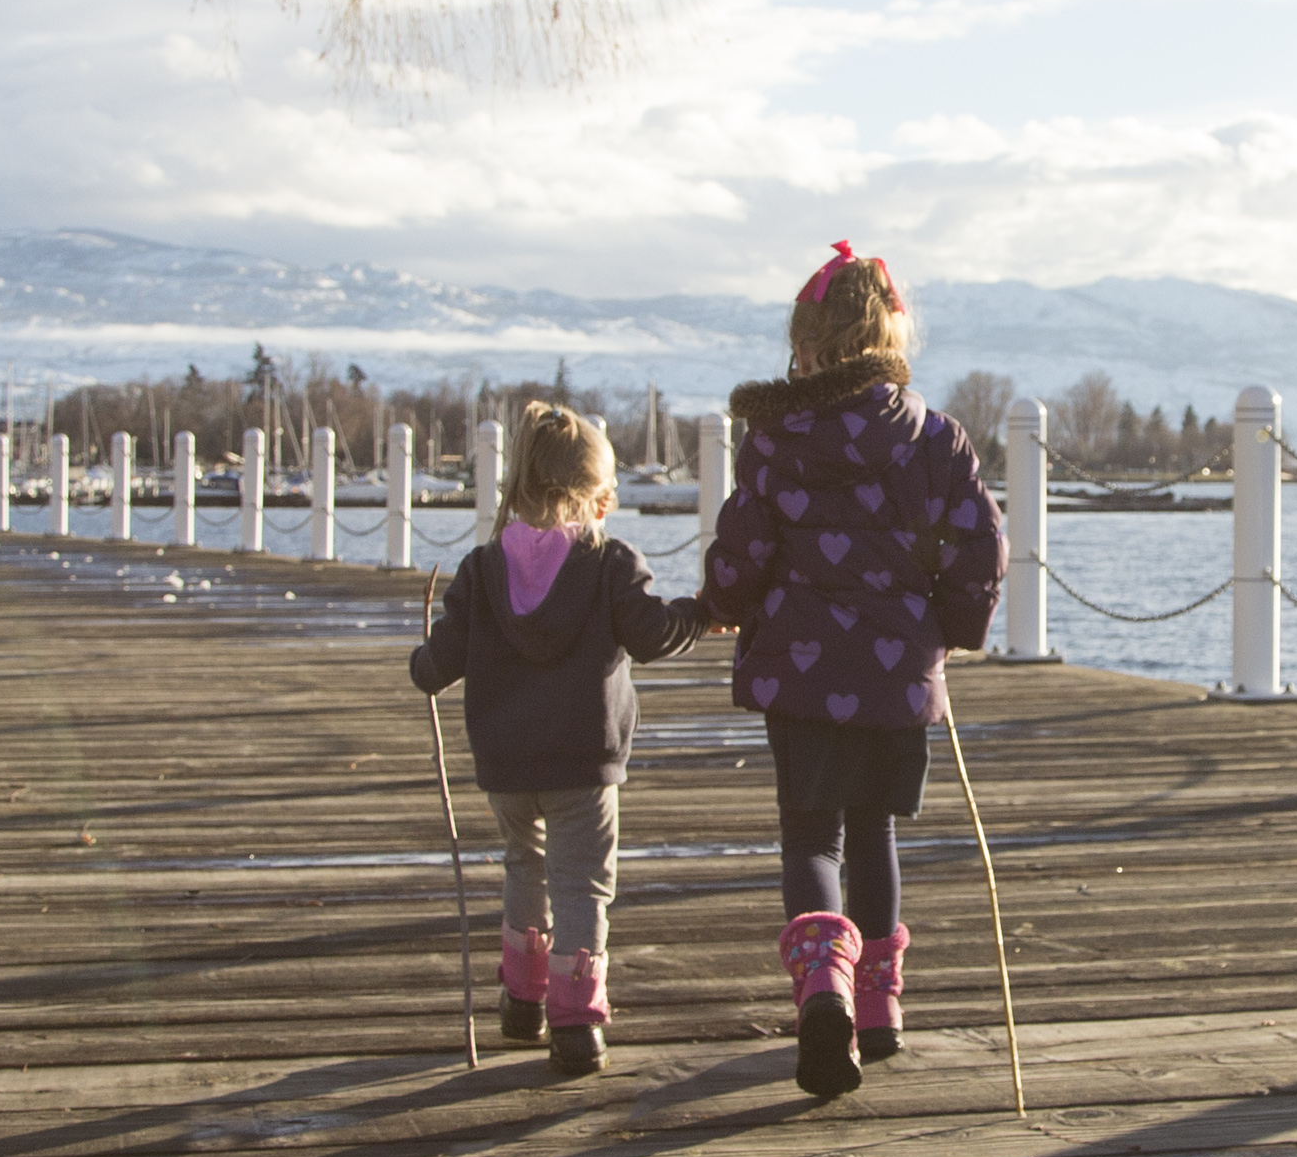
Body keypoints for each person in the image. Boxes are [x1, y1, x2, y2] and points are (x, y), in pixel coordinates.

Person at [704, 244, 1007, 1098]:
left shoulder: (771, 442)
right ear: (890, 332)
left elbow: (744, 548)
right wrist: (950, 628)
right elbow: (982, 547)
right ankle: (877, 1012)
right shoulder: (937, 440)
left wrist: (723, 597)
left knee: (812, 835)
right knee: (874, 830)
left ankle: (822, 991)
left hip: (798, 671)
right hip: (895, 670)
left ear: (805, 343)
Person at [405, 403, 702, 1077]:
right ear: (598, 498)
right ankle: (575, 1020)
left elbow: (441, 662)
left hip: (506, 760)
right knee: (582, 885)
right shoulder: (611, 564)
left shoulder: (480, 571)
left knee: (523, 864)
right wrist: (701, 613)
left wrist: (420, 666)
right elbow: (653, 636)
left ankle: (521, 999)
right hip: (583, 760)